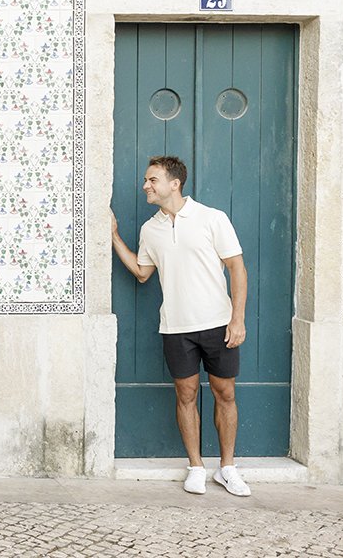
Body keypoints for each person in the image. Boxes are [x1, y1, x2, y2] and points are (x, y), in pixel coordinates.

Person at [110, 155, 250, 497]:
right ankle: (197, 468)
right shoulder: (149, 229)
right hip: (175, 327)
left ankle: (228, 468)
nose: (146, 185)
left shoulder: (211, 218)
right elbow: (143, 272)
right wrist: (114, 235)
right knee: (185, 395)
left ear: (174, 183)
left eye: (152, 179)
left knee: (225, 393)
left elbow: (237, 268)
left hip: (218, 323)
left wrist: (238, 319)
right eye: (146, 180)